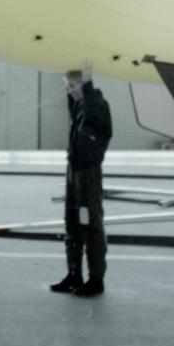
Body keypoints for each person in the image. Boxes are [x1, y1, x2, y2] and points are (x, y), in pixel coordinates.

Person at [50, 60, 112, 297]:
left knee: (90, 227)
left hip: (87, 175)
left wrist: (86, 82)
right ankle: (74, 275)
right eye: (69, 87)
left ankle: (95, 280)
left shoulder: (98, 106)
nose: (72, 91)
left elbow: (92, 110)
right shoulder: (78, 106)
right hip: (73, 172)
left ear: (85, 85)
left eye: (74, 86)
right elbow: (76, 102)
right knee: (72, 226)